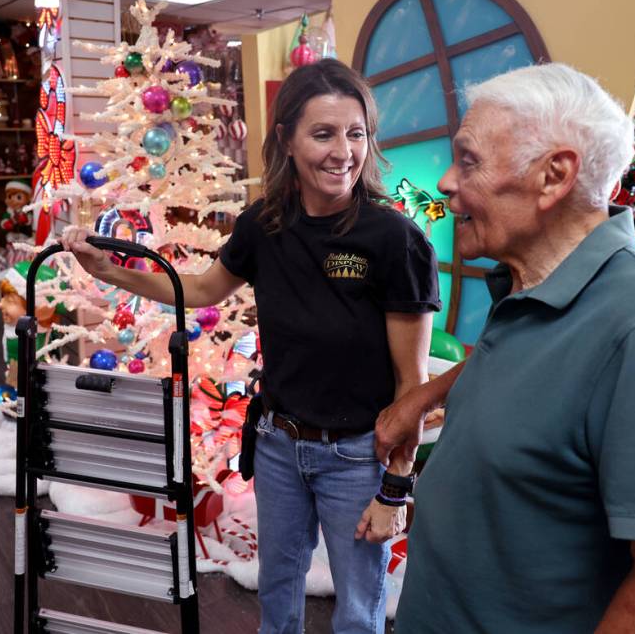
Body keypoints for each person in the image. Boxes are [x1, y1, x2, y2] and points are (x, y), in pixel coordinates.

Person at [61, 58, 440, 634]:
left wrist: (394, 489)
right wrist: (112, 273)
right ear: (286, 139)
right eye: (323, 133)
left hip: (356, 457)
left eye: (356, 133)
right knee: (277, 591)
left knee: (359, 608)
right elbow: (200, 288)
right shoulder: (265, 223)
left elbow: (411, 388)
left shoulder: (394, 240)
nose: (344, 151)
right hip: (279, 445)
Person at [374, 63, 635, 633]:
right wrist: (426, 395)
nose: (444, 181)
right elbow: (539, 375)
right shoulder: (530, 282)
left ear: (554, 176)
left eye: (468, 160)